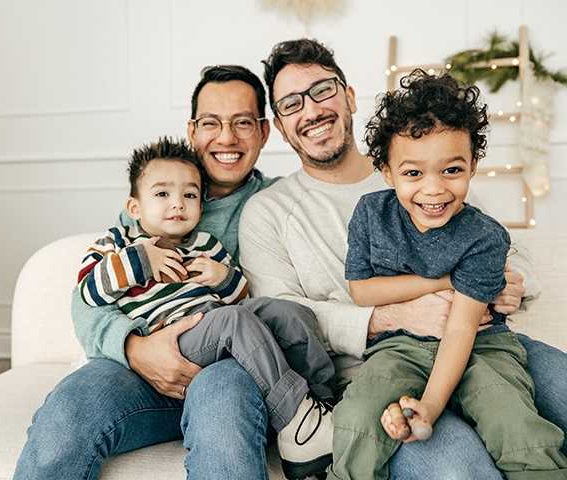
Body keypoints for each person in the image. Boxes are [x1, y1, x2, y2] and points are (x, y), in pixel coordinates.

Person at [240, 38, 567, 479]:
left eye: (322, 90)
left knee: (539, 415)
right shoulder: (270, 210)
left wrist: (508, 281)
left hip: (484, 340)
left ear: (349, 95)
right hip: (382, 363)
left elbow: (510, 251)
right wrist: (392, 316)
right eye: (292, 103)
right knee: (462, 471)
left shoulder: (428, 158)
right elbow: (281, 318)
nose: (312, 109)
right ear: (279, 125)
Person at [14, 65, 279, 480]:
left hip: (229, 370)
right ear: (193, 130)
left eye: (243, 123)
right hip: (137, 366)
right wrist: (137, 350)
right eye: (211, 123)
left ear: (264, 131)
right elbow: (88, 297)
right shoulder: (155, 194)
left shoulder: (277, 204)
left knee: (222, 421)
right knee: (66, 417)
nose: (226, 138)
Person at [335, 70, 567, 479]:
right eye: (413, 173)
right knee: (356, 418)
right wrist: (443, 282)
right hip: (398, 347)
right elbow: (360, 290)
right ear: (387, 172)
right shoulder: (371, 215)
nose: (434, 189)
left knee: (515, 425)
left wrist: (429, 406)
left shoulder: (485, 236)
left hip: (483, 345)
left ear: (473, 166)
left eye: (451, 170)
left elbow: (461, 329)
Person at [78, 136, 335, 478]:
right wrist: (141, 259)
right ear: (135, 208)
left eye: (189, 195)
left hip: (221, 335)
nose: (177, 204)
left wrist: (223, 277)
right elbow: (89, 291)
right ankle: (295, 416)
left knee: (289, 313)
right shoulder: (117, 242)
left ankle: (324, 405)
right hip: (174, 340)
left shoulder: (206, 244)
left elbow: (242, 299)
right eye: (162, 194)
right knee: (232, 321)